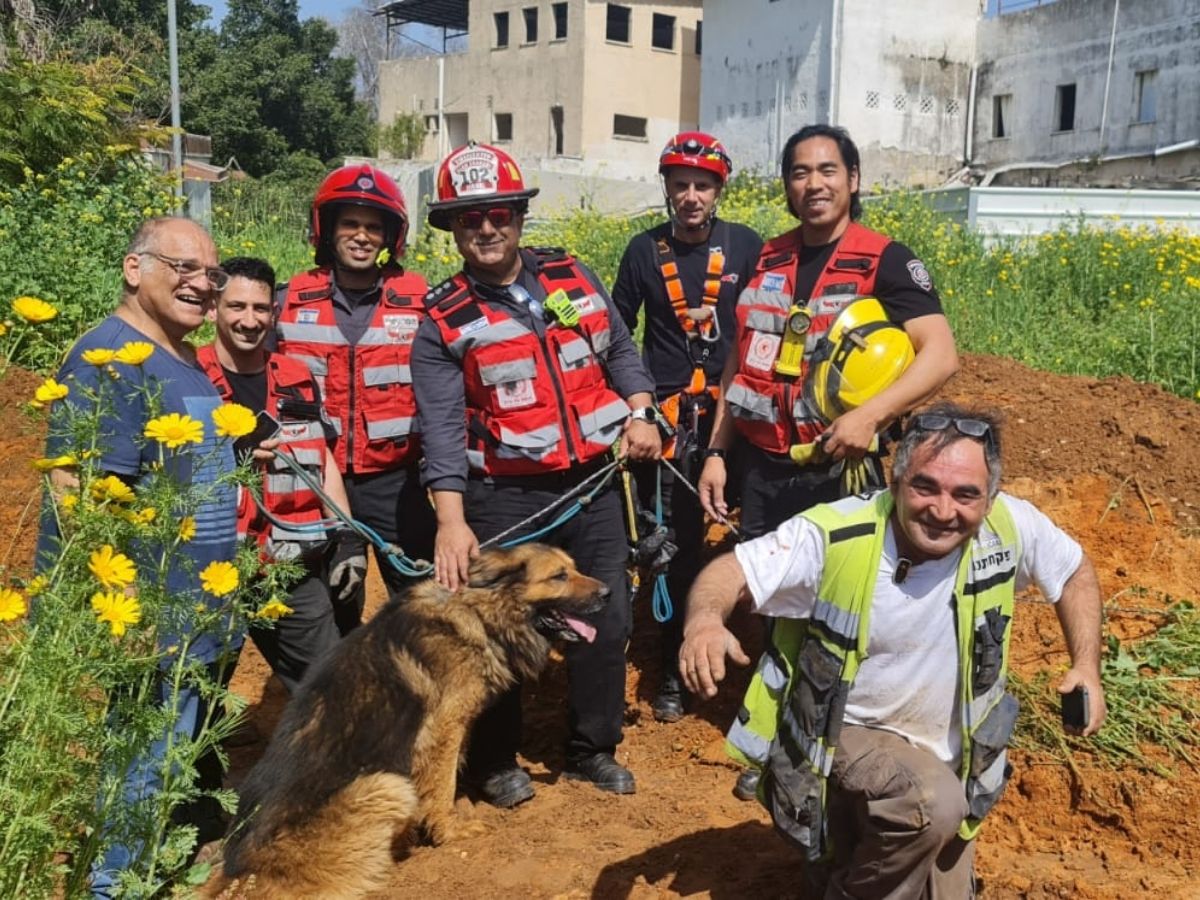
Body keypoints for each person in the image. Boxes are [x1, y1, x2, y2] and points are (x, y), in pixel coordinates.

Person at [680, 403, 1107, 897]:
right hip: (844, 733)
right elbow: (730, 571)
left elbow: (1074, 572)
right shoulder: (839, 533)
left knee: (938, 852)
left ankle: (843, 868)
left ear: (990, 498)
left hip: (952, 757)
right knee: (930, 804)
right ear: (896, 480)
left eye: (966, 495)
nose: (943, 511)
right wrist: (705, 622)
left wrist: (1086, 667)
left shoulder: (1010, 527)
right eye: (925, 486)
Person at [411, 141, 661, 808]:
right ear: (452, 230)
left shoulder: (574, 276)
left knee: (606, 620)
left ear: (520, 216)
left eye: (498, 212)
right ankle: (493, 762)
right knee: (498, 632)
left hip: (596, 486)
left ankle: (591, 751)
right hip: (507, 499)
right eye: (468, 219)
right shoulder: (441, 319)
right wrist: (452, 521)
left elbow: (621, 352)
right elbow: (439, 426)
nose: (486, 227)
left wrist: (642, 410)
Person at [38, 217, 241, 896]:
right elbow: (83, 493)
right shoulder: (110, 356)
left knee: (165, 763)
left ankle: (140, 874)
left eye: (211, 274)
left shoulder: (177, 355)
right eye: (184, 268)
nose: (202, 285)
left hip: (192, 604)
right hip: (153, 613)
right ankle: (114, 887)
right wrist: (121, 614)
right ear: (134, 267)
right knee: (141, 764)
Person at [699, 123, 959, 539]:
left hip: (841, 472)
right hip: (760, 473)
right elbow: (738, 365)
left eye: (827, 170)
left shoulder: (885, 260)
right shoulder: (766, 258)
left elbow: (941, 354)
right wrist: (717, 453)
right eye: (800, 173)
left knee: (841, 601)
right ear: (787, 186)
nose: (814, 184)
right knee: (769, 599)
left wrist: (870, 418)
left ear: (853, 179)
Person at [611, 131, 762, 724]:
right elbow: (618, 335)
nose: (691, 196)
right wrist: (634, 410)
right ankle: (672, 665)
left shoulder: (747, 246)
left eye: (702, 185)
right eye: (681, 186)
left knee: (754, 533)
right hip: (670, 424)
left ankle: (753, 659)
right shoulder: (643, 252)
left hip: (735, 417)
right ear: (668, 190)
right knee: (671, 543)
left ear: (719, 189)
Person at [275, 164, 434, 633]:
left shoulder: (423, 302)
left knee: (423, 603)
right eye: (350, 224)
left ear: (391, 236)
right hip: (314, 483)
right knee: (332, 606)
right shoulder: (286, 302)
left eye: (373, 226)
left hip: (396, 486)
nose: (362, 236)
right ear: (328, 229)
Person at [198, 256, 348, 693]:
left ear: (274, 312)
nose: (249, 320)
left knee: (331, 692)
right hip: (212, 570)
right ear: (213, 309)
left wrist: (347, 535)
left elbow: (323, 460)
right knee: (193, 698)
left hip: (288, 568)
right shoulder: (190, 377)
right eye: (236, 307)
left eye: (260, 308)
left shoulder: (296, 376)